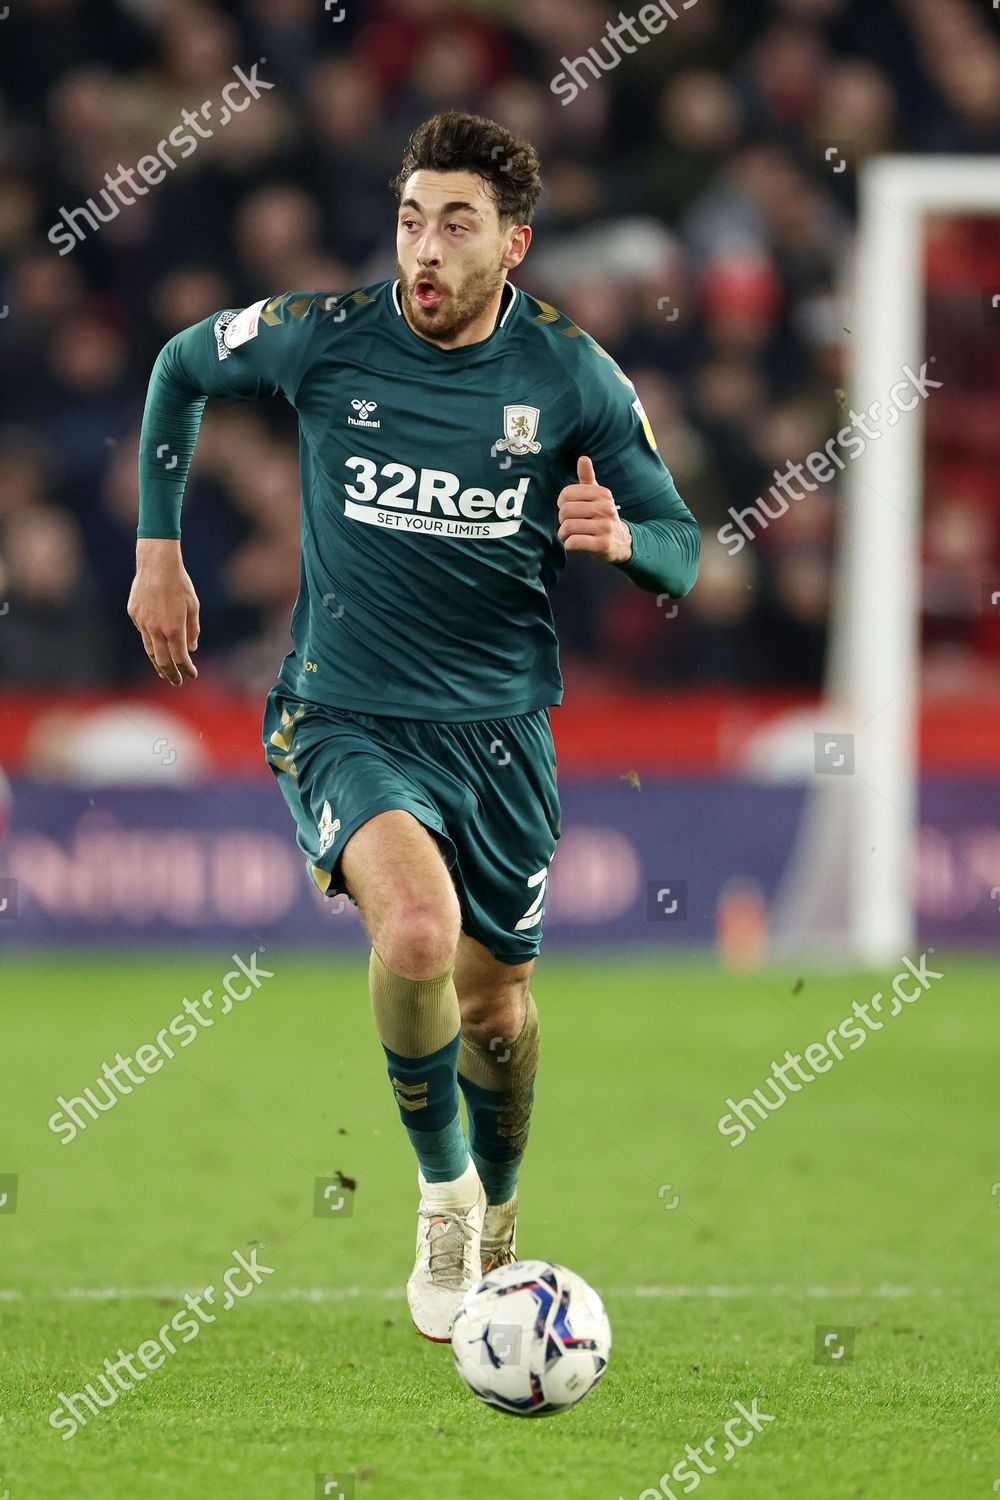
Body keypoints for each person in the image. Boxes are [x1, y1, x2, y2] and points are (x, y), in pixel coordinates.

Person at [128, 110, 700, 1342]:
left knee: (497, 1009)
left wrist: (626, 545)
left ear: (515, 244)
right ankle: (442, 1196)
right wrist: (158, 550)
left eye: (455, 224)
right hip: (342, 713)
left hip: (500, 735)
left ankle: (497, 1210)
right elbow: (180, 365)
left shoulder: (573, 376)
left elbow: (683, 547)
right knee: (419, 933)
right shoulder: (325, 339)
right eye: (408, 218)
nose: (423, 249)